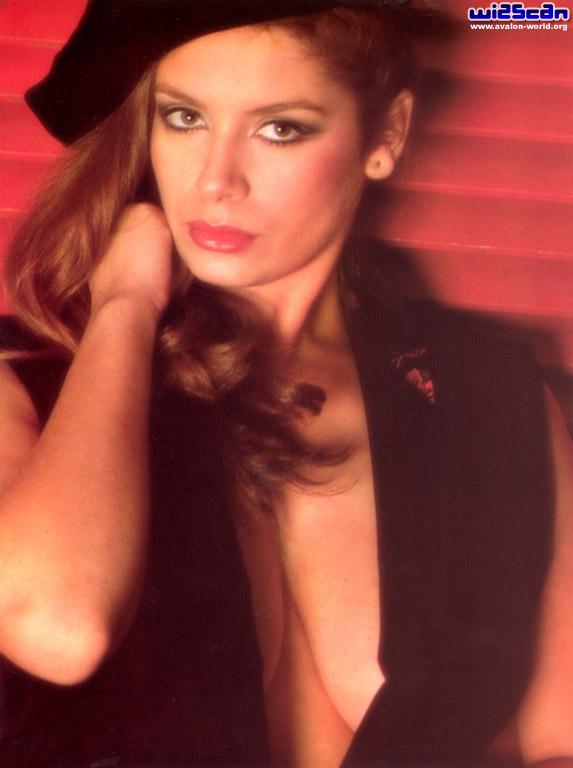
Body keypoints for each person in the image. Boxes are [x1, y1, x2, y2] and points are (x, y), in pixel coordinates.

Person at [0, 1, 572, 766]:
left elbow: (561, 739)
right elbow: (57, 627)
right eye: (184, 118)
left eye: (279, 129)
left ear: (386, 135)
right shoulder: (28, 391)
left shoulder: (494, 401)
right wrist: (125, 305)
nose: (216, 181)